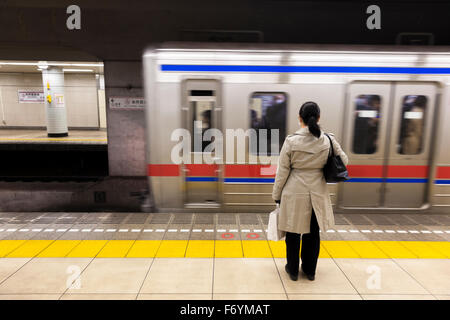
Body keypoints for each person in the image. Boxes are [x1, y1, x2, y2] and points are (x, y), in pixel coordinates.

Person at [272, 101, 348, 281]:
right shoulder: (328, 139)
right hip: (317, 192)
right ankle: (310, 270)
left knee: (292, 232)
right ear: (319, 118)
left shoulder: (291, 141)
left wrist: (276, 195)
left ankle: (292, 270)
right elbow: (344, 160)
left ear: (300, 119)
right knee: (312, 233)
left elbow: (282, 171)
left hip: (293, 192)